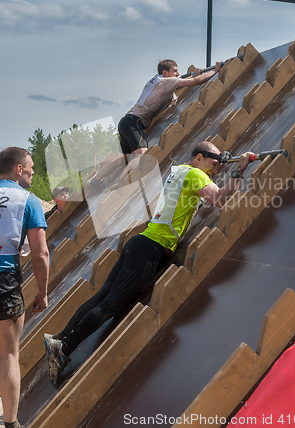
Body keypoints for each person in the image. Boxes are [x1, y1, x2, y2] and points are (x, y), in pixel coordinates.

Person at [44, 141, 252, 386]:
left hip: (141, 242)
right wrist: (239, 169)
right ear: (198, 158)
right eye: (213, 164)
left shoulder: (179, 172)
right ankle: (64, 349)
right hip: (150, 249)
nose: (215, 170)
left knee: (101, 297)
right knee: (110, 305)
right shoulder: (195, 174)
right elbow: (219, 199)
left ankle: (59, 339)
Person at [86, 59, 223, 189]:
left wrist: (193, 76)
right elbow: (195, 81)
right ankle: (119, 185)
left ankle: (95, 180)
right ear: (165, 73)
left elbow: (177, 86)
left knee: (121, 159)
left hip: (126, 121)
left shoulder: (156, 81)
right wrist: (215, 71)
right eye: (174, 71)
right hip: (134, 123)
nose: (177, 74)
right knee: (143, 156)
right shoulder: (165, 82)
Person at [0, 147, 49, 428]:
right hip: (4, 277)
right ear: (19, 169)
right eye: (31, 168)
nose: (33, 173)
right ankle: (10, 423)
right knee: (8, 354)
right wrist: (42, 293)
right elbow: (40, 255)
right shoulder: (27, 201)